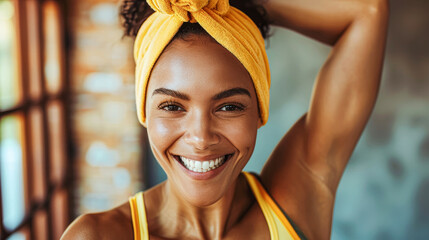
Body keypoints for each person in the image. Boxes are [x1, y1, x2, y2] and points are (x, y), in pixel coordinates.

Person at [61, 0, 389, 239]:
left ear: (259, 109)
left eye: (229, 107)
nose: (201, 138)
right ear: (144, 111)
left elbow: (367, 11)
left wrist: (230, 4)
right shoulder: (96, 236)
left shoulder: (294, 204)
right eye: (173, 106)